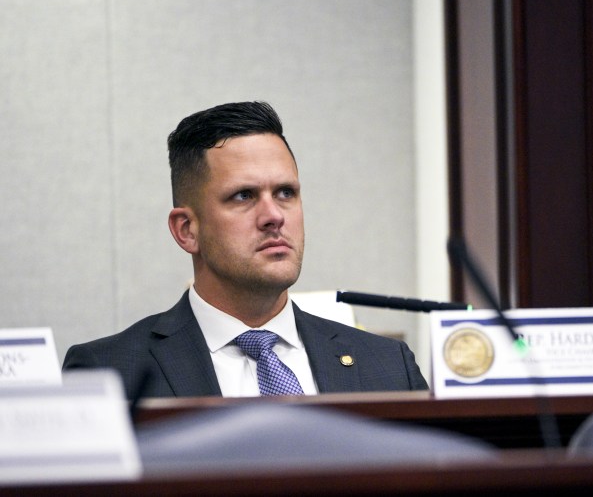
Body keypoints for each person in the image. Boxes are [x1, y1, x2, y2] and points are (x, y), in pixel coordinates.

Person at [62, 101, 429, 400]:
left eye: (286, 193)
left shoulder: (387, 366)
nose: (273, 216)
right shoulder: (108, 373)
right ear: (187, 230)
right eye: (243, 196)